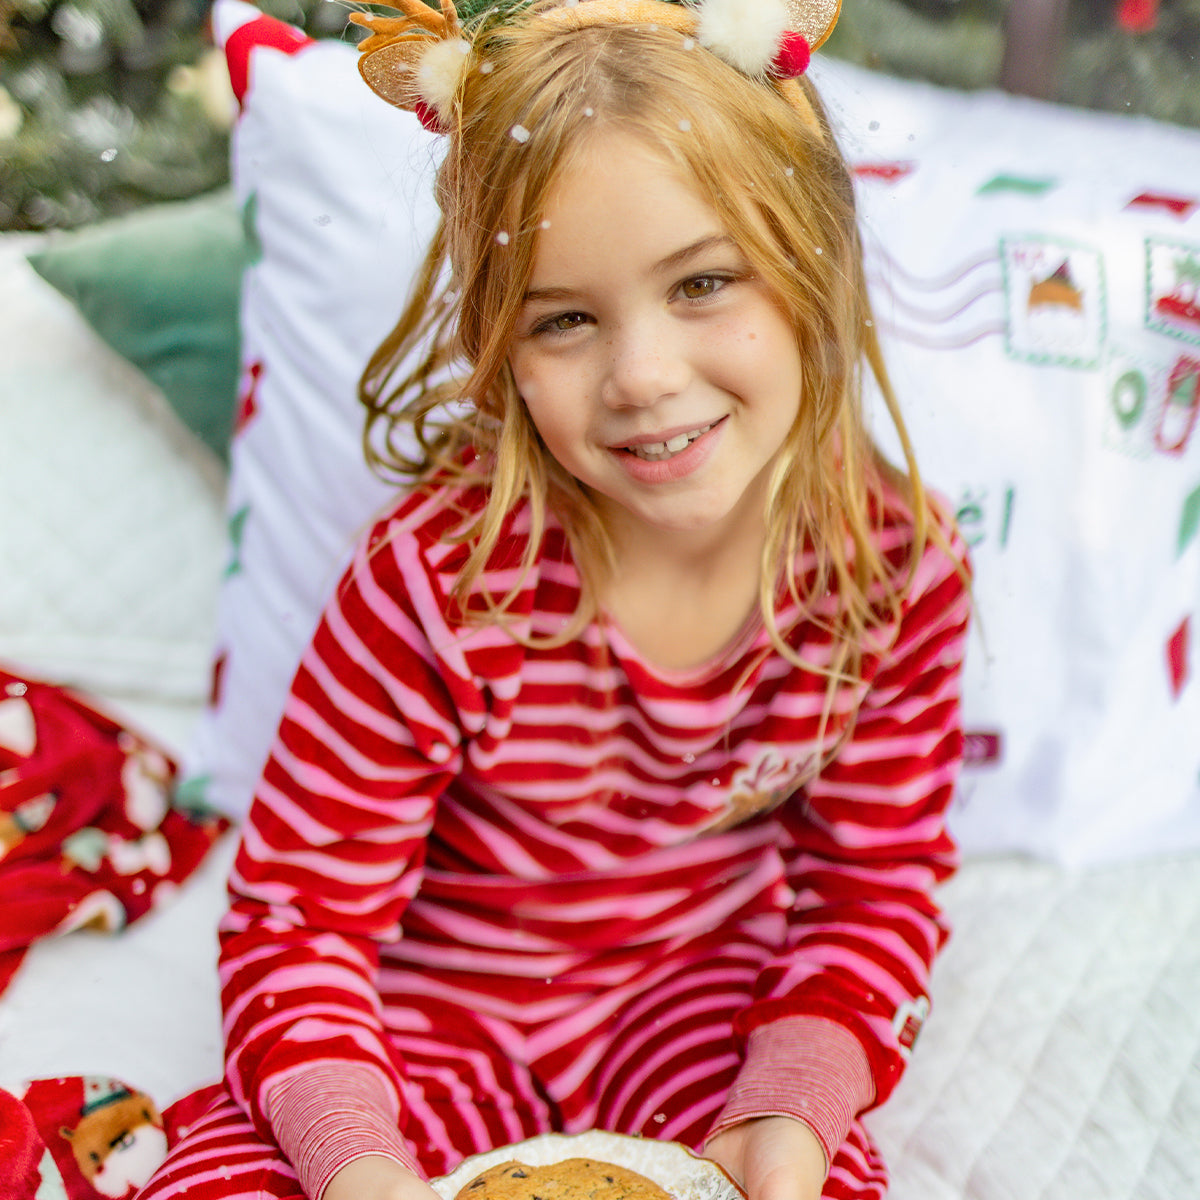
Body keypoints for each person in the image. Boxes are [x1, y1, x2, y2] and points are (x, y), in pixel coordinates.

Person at [140, 0, 971, 1198]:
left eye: (703, 284)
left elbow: (870, 897)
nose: (640, 377)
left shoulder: (891, 573)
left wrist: (794, 1109)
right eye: (566, 319)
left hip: (700, 1020)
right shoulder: (439, 579)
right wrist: (359, 1166)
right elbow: (302, 921)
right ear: (501, 346)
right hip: (425, 1015)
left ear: (814, 261)